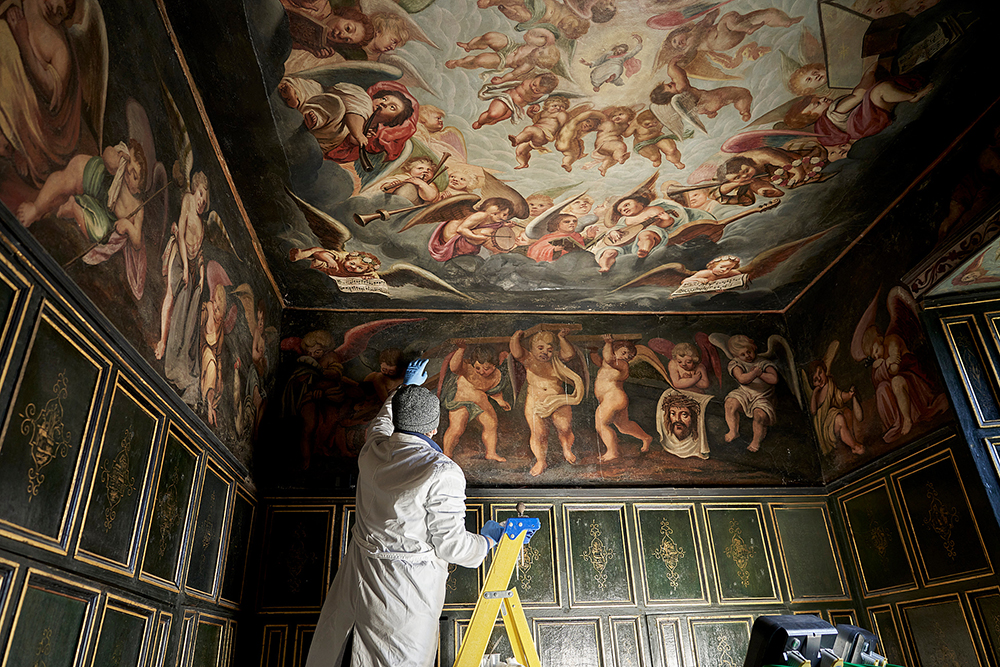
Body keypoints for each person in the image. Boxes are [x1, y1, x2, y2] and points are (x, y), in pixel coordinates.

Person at [305, 359, 503, 667]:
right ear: (435, 429)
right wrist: (488, 542)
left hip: (359, 579)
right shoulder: (442, 471)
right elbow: (451, 546)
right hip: (404, 595)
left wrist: (407, 387)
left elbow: (383, 424)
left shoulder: (373, 451)